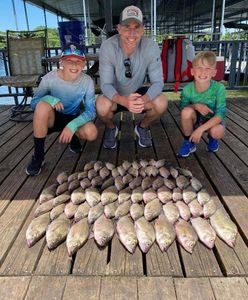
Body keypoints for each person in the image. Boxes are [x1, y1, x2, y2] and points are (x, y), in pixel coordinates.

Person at [96, 5, 167, 149]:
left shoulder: (151, 46)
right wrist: (123, 100)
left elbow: (158, 82)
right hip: (115, 94)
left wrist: (144, 99)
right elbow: (105, 85)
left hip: (138, 92)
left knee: (161, 103)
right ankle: (111, 128)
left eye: (137, 27)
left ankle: (142, 127)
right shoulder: (107, 46)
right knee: (101, 106)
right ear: (119, 28)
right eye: (127, 26)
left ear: (143, 29)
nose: (132, 33)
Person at [26, 43, 97, 176]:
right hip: (52, 117)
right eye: (69, 61)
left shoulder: (87, 81)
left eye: (78, 61)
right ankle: (38, 157)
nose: (74, 65)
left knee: (91, 132)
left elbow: (91, 111)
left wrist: (73, 124)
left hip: (73, 116)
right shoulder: (49, 78)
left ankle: (74, 136)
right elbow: (34, 102)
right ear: (61, 62)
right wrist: (50, 99)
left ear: (83, 64)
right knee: (42, 106)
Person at [177, 51, 226, 157]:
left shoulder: (219, 88)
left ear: (214, 72)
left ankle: (212, 138)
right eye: (199, 67)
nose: (203, 72)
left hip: (212, 121)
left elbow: (220, 114)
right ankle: (189, 142)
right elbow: (183, 107)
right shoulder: (187, 89)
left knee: (218, 131)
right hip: (196, 119)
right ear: (192, 71)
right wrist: (195, 106)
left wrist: (201, 129)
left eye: (208, 68)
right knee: (186, 112)